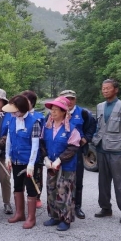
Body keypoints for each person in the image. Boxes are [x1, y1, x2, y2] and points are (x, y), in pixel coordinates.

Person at [92, 79, 121, 224]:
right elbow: (99, 126)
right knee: (103, 181)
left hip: (117, 150)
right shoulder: (100, 106)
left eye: (108, 88)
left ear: (116, 90)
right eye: (103, 88)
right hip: (101, 148)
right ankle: (105, 208)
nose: (105, 91)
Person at [41, 96, 81, 231]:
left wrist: (60, 160)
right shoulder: (47, 127)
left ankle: (66, 219)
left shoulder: (71, 129)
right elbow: (42, 143)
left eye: (56, 110)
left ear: (64, 112)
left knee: (64, 191)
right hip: (51, 165)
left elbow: (73, 148)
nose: (53, 112)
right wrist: (46, 158)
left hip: (66, 167)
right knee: (51, 189)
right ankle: (54, 216)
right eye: (52, 109)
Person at [3, 94, 42, 229]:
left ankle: (31, 217)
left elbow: (35, 145)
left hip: (29, 161)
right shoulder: (12, 120)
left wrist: (31, 164)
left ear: (21, 109)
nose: (12, 113)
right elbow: (9, 140)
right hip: (16, 160)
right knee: (17, 186)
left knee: (31, 189)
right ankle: (20, 213)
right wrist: (7, 156)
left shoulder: (34, 122)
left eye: (15, 111)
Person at [59, 89, 97, 219]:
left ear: (75, 100)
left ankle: (77, 207)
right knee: (59, 179)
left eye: (72, 98)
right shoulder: (56, 112)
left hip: (76, 151)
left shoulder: (83, 113)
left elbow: (92, 126)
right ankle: (59, 206)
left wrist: (86, 138)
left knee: (77, 179)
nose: (69, 101)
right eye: (66, 99)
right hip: (60, 150)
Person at [21, 90, 45, 208]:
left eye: (26, 100)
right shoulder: (18, 115)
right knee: (22, 176)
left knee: (36, 175)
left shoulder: (39, 117)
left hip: (37, 151)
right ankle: (23, 197)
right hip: (21, 152)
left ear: (32, 102)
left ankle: (37, 196)